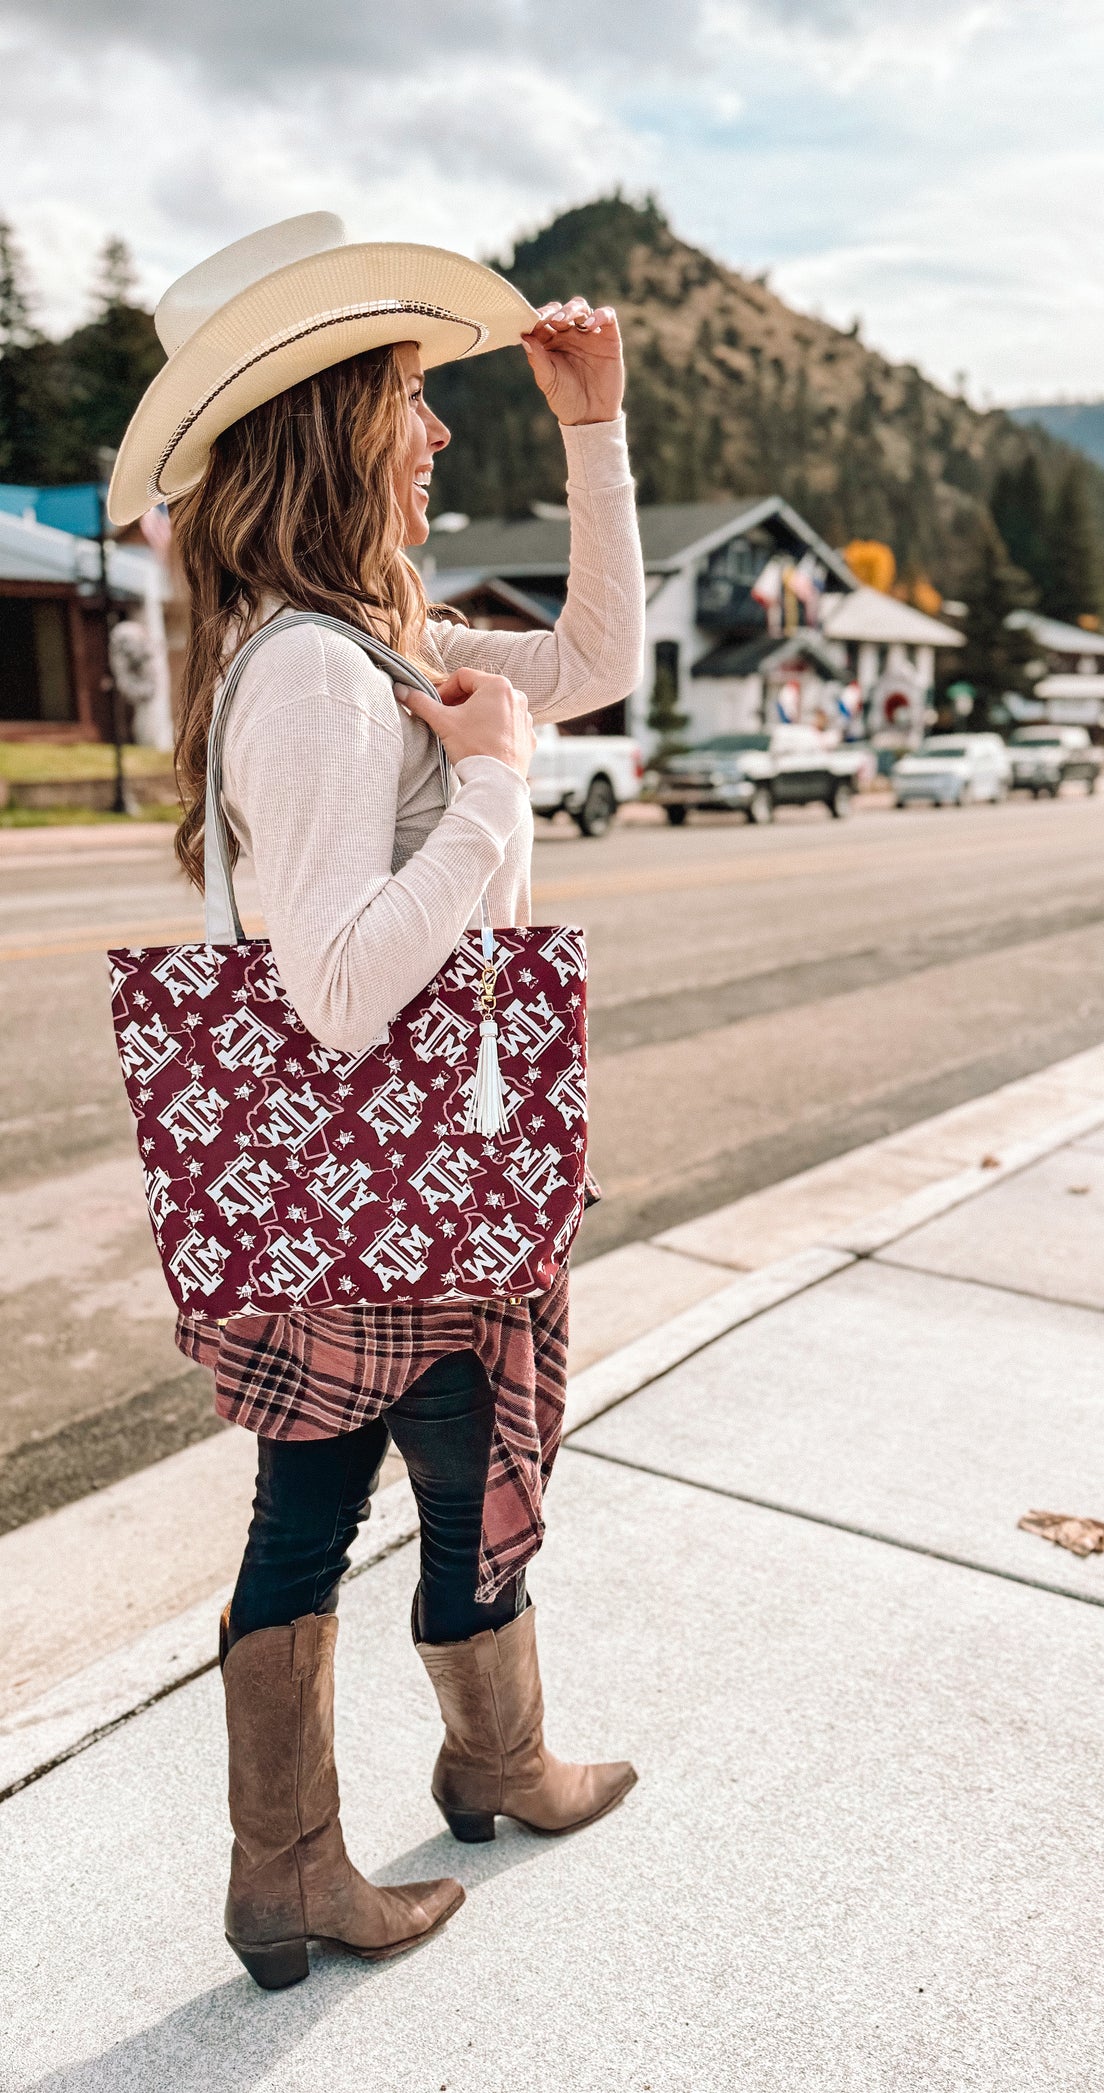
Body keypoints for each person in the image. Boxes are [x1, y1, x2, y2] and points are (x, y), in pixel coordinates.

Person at [108, 214, 645, 1990]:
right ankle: (312, 1861)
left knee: (425, 1474)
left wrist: (595, 430)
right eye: (410, 400)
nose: (433, 434)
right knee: (365, 1500)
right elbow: (336, 993)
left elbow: (599, 659)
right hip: (381, 1201)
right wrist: (491, 797)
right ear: (337, 425)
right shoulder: (321, 680)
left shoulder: (372, 641)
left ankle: (469, 1774)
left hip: (406, 1200)